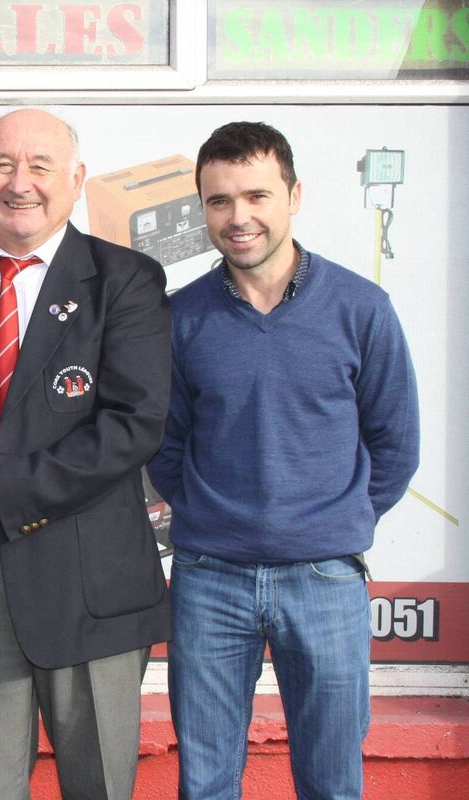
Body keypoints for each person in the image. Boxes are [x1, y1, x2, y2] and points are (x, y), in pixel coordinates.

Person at [0, 108, 173, 799]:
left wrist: (5, 489)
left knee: (98, 785)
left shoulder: (126, 281)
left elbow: (133, 424)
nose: (20, 183)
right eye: (3, 165)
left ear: (76, 180)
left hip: (91, 584)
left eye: (40, 166)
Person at [147, 121, 420, 799]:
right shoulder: (180, 318)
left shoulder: (362, 309)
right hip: (210, 579)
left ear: (294, 195)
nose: (238, 217)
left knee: (331, 783)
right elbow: (165, 447)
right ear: (203, 208)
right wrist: (217, 517)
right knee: (206, 783)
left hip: (324, 579)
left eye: (256, 196)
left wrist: (330, 522)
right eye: (219, 201)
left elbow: (395, 445)